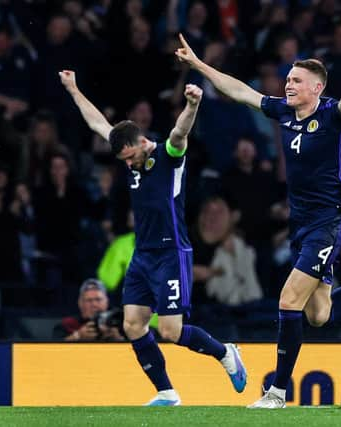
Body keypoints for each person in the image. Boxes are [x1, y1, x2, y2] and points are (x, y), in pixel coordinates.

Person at [176, 25, 341, 409]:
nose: (287, 85)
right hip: (301, 224)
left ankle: (277, 393)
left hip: (329, 221)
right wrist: (199, 64)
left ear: (317, 88)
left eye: (296, 81)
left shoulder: (333, 115)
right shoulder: (284, 113)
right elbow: (240, 90)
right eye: (288, 79)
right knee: (319, 314)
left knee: (289, 300)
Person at [60, 70, 246, 406]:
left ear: (141, 142)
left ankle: (225, 353)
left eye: (130, 157)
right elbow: (97, 124)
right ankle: (167, 392)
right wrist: (74, 89)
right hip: (143, 255)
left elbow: (180, 132)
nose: (128, 164)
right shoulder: (129, 157)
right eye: (123, 161)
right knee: (133, 325)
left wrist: (191, 105)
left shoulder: (168, 156)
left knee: (171, 332)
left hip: (171, 253)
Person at [53, 278, 124, 342]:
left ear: (107, 301)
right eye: (89, 300)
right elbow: (53, 350)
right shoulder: (68, 324)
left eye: (98, 299)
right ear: (80, 303)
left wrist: (118, 340)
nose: (94, 304)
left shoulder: (118, 323)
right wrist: (77, 336)